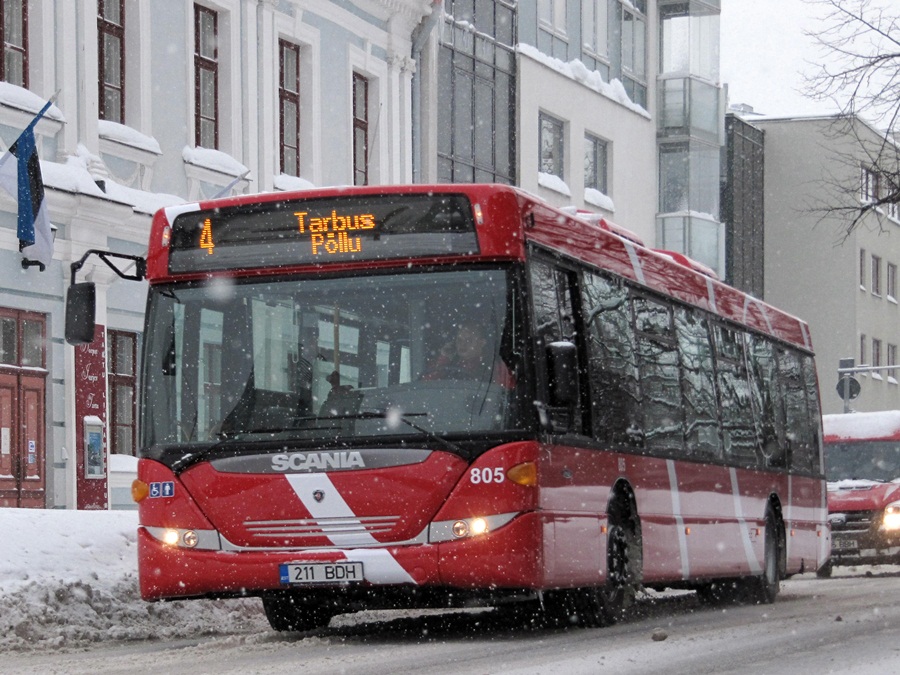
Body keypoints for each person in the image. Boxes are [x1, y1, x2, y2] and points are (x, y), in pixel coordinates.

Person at [424, 319, 515, 387]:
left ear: (482, 343)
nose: (462, 344)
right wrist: (444, 358)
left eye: (468, 340)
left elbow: (504, 396)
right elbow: (425, 389)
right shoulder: (445, 365)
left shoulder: (496, 368)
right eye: (459, 340)